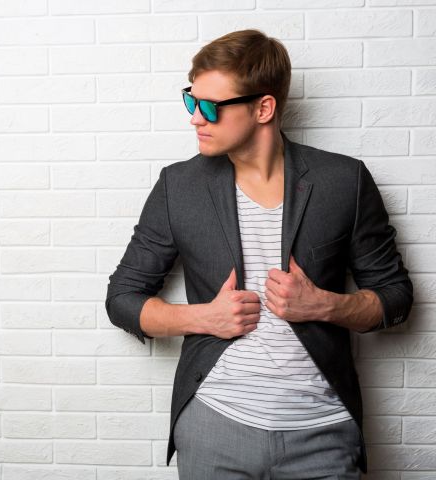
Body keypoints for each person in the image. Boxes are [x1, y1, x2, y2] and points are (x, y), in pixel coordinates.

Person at [104, 29, 413, 479]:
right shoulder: (179, 187)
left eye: (211, 106)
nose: (196, 118)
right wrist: (202, 318)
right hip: (213, 425)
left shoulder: (344, 181)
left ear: (263, 108)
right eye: (192, 100)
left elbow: (396, 297)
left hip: (323, 433)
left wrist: (326, 305)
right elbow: (122, 298)